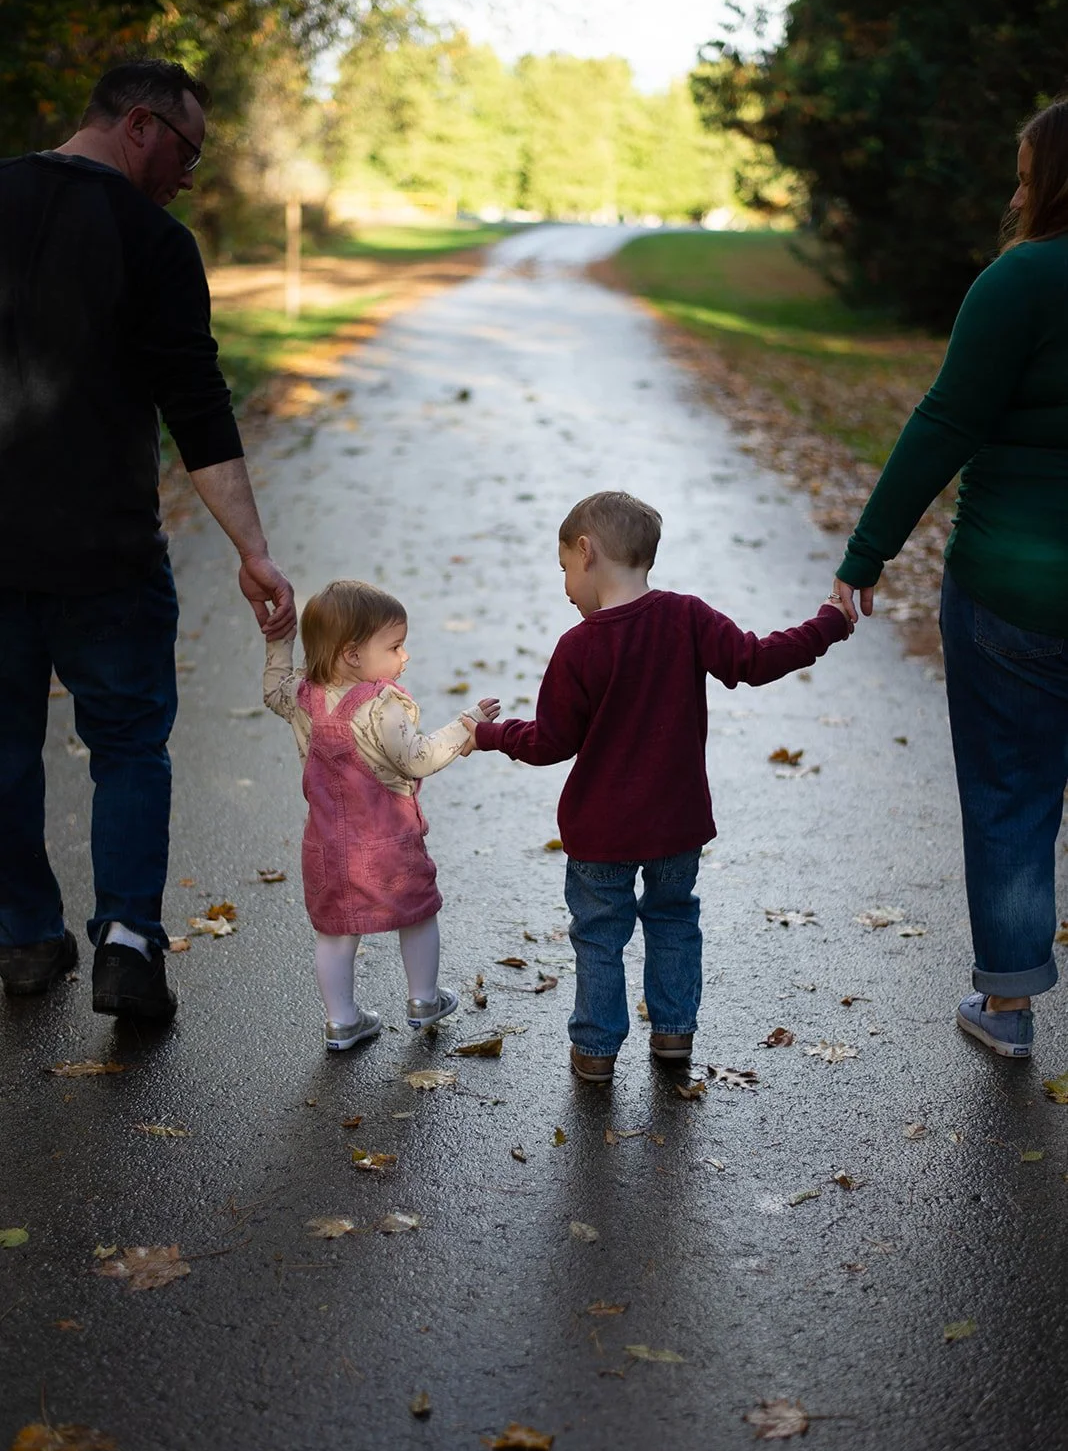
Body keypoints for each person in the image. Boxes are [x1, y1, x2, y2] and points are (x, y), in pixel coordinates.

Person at [0, 59, 294, 1022]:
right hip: (107, 555)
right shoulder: (154, 241)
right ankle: (128, 944)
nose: (188, 176)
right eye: (186, 151)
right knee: (128, 746)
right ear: (139, 124)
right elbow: (196, 408)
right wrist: (251, 550)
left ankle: (25, 940)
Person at [463, 491, 852, 1083]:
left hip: (600, 834)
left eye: (565, 567)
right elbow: (755, 659)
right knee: (673, 920)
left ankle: (595, 1048)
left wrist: (490, 734)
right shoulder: (686, 617)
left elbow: (550, 742)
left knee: (598, 935)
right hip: (676, 824)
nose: (566, 585)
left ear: (587, 553)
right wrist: (826, 625)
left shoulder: (579, 647)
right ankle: (673, 1034)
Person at [833, 97, 1068, 1062]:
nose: (1013, 193)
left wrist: (865, 556)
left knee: (1011, 794)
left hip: (1010, 590)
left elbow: (944, 425)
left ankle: (1006, 1012)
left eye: (1024, 175)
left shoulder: (1019, 281)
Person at [264, 579, 499, 1049]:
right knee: (417, 912)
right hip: (388, 845)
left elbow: (272, 688)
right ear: (352, 654)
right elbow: (417, 758)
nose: (404, 656)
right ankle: (424, 999)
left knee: (335, 931)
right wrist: (465, 726)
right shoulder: (380, 705)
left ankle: (342, 1021)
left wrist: (278, 641)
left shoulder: (301, 697)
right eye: (394, 646)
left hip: (328, 846)